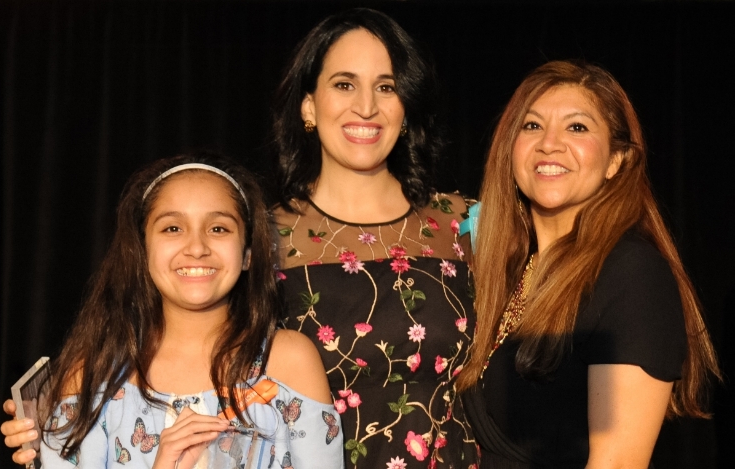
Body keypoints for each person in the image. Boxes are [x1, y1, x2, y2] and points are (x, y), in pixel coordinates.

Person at [0, 152, 344, 468]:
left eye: (219, 228)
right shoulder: (91, 374)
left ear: (248, 253)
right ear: (142, 249)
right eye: (173, 228)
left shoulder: (288, 362)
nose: (196, 247)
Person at [457, 61, 720, 468]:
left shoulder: (631, 275)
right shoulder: (510, 270)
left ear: (617, 160)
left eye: (577, 127)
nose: (549, 144)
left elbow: (616, 463)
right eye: (531, 126)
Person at [270, 8, 477, 469]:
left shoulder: (463, 223)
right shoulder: (264, 238)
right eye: (344, 84)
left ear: (407, 108)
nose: (366, 106)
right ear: (308, 105)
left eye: (387, 87)